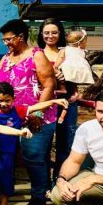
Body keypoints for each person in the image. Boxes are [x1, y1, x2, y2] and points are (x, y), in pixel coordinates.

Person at [0, 18, 58, 205]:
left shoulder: (36, 55)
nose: (6, 43)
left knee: (34, 156)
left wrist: (38, 113)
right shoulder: (6, 58)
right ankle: (6, 187)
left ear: (20, 37)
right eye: (4, 40)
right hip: (11, 117)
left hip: (37, 117)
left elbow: (49, 84)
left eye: (9, 39)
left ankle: (39, 196)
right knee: (8, 154)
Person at [0, 82, 67, 205]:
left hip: (7, 154)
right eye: (0, 100)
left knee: (6, 181)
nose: (3, 104)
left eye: (7, 100)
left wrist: (53, 101)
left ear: (13, 99)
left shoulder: (17, 110)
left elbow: (34, 107)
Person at [37, 18, 78, 181]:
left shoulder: (69, 53)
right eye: (46, 33)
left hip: (66, 103)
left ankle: (60, 181)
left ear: (60, 34)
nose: (50, 36)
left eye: (54, 32)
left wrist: (73, 88)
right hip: (44, 103)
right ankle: (44, 184)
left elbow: (78, 74)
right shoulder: (37, 54)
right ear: (41, 34)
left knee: (65, 143)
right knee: (42, 144)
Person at [55, 28, 95, 122]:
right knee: (71, 80)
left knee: (66, 79)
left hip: (69, 70)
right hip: (74, 70)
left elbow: (61, 59)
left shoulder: (67, 50)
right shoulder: (79, 51)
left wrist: (56, 67)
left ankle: (66, 89)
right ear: (79, 43)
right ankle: (73, 92)